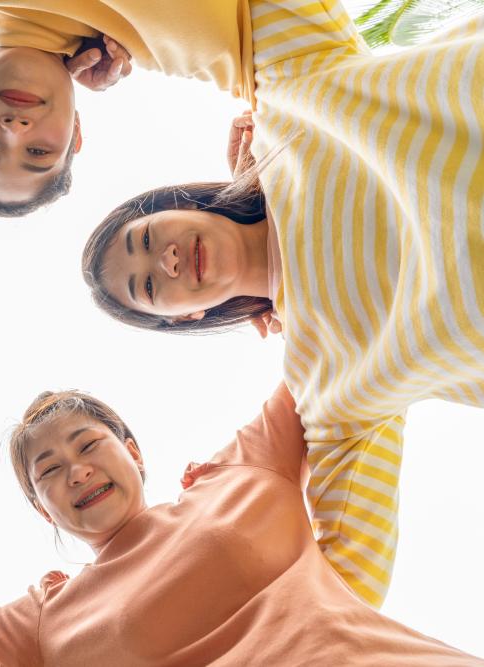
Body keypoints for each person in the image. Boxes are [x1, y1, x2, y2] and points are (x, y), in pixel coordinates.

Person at [81, 4, 484, 608]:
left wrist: (90, 37)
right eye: (147, 288)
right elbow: (347, 587)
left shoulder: (290, 105)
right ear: (185, 316)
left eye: (145, 239)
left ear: (176, 204)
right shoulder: (327, 383)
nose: (161, 261)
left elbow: (242, 15)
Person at [0, 386, 483, 666]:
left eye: (88, 444)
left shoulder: (236, 476)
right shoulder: (47, 615)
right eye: (50, 471)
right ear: (42, 508)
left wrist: (252, 202)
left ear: (133, 450)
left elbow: (319, 346)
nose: (77, 471)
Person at [0, 1, 251, 216]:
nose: (14, 130)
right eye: (38, 152)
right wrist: (251, 191)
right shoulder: (190, 49)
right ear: (75, 132)